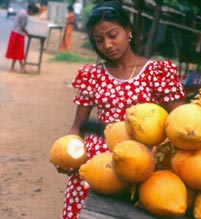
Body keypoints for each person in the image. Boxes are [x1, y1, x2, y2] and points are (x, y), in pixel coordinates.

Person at [59, 2, 185, 219]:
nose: (107, 44)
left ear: (128, 31)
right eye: (99, 40)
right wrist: (66, 155)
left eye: (112, 35)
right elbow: (76, 128)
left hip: (141, 163)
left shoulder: (157, 71)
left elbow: (181, 120)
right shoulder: (92, 75)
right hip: (95, 165)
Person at [5, 3, 39, 73]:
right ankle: (22, 68)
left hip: (14, 32)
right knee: (19, 52)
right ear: (31, 11)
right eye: (33, 13)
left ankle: (15, 67)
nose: (32, 15)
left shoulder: (21, 11)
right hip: (19, 34)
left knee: (16, 51)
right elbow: (22, 27)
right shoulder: (25, 15)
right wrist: (27, 33)